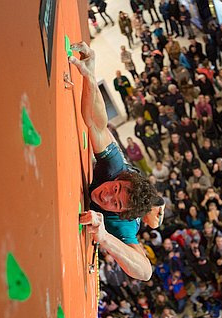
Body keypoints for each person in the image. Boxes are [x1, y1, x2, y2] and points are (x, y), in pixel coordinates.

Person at [71, 42, 164, 281]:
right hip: (132, 176)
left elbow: (145, 272)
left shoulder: (123, 225)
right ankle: (157, 205)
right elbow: (96, 122)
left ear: (123, 214)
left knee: (153, 223)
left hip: (134, 210)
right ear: (119, 180)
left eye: (116, 203)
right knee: (100, 131)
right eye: (115, 190)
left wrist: (104, 236)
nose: (106, 196)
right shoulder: (115, 168)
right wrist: (90, 76)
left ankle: (155, 209)